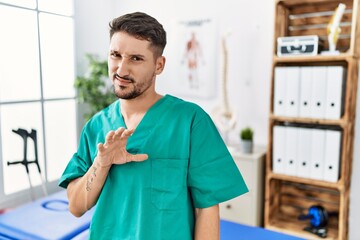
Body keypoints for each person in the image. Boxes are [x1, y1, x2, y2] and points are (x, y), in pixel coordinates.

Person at [59, 12, 248, 240]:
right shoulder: (96, 127)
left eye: (135, 59)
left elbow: (206, 209)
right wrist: (102, 163)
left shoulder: (191, 121)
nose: (121, 69)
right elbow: (76, 207)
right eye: (115, 55)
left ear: (159, 65)